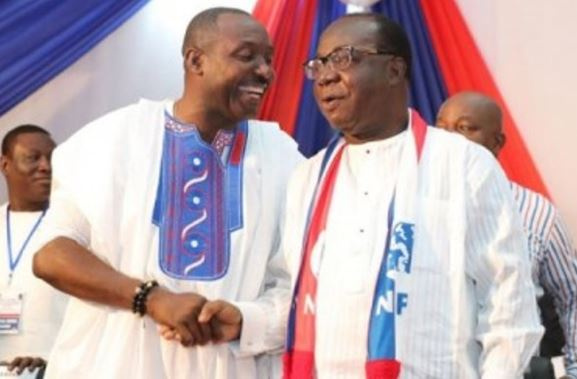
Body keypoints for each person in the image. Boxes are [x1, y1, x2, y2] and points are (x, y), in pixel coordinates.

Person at [32, 7, 302, 379]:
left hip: (229, 368)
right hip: (113, 366)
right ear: (196, 60)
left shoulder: (284, 157)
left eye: (268, 60)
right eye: (247, 55)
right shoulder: (112, 139)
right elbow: (52, 255)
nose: (265, 71)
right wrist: (152, 299)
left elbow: (300, 284)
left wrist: (246, 319)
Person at [280, 13, 543, 378]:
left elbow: (509, 306)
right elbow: (290, 298)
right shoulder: (306, 178)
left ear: (394, 69)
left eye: (343, 58)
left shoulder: (464, 164)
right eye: (319, 64)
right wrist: (243, 320)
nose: (325, 76)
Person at [437, 91, 577, 379]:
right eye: (441, 128)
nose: (448, 139)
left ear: (497, 142)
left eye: (464, 128)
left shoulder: (537, 214)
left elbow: (571, 298)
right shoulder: (412, 205)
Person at [0, 125, 66, 377]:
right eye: (33, 157)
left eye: (51, 158)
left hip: (55, 368)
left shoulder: (76, 229)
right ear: (5, 165)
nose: (45, 166)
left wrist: (50, 359)